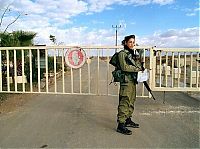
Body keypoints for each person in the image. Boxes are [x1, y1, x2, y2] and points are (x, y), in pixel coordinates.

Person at [116, 35, 143, 135]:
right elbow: (124, 67)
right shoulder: (122, 54)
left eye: (133, 42)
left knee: (131, 100)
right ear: (125, 43)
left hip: (132, 81)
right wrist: (136, 69)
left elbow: (137, 65)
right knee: (125, 101)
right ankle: (121, 125)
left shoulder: (132, 54)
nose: (132, 44)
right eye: (130, 42)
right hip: (126, 82)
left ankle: (128, 119)